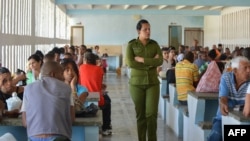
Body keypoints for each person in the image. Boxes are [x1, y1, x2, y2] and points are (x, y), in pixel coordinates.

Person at [125, 19, 163, 141]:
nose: (148, 31)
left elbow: (160, 61)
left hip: (153, 83)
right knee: (140, 115)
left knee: (151, 114)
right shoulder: (131, 45)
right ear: (138, 31)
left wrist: (142, 60)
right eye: (145, 29)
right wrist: (151, 64)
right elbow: (130, 63)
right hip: (136, 84)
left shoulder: (154, 45)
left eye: (149, 29)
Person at [21, 61, 75, 141]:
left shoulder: (28, 89)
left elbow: (25, 123)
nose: (63, 77)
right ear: (53, 74)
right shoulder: (66, 88)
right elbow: (71, 119)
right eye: (61, 74)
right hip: (58, 138)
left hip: (34, 137)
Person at [207, 56, 250, 141]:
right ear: (235, 71)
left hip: (243, 120)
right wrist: (223, 103)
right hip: (223, 118)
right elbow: (223, 97)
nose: (249, 70)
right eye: (245, 68)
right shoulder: (226, 77)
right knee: (216, 135)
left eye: (249, 67)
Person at [79, 52, 112, 136]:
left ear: (85, 60)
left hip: (82, 95)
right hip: (96, 98)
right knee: (107, 102)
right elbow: (98, 84)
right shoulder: (99, 69)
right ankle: (106, 127)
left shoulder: (81, 68)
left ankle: (106, 126)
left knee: (106, 99)